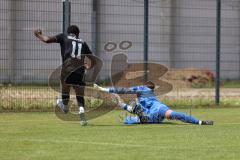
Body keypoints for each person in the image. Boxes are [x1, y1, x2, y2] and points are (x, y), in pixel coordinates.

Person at [34, 25, 95, 126]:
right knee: (79, 93)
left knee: (65, 87)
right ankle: (81, 111)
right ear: (77, 34)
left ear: (68, 32)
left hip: (67, 70)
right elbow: (92, 58)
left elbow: (47, 40)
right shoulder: (83, 42)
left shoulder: (64, 36)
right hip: (80, 71)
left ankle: (65, 107)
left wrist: (38, 35)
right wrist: (89, 66)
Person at [94, 81, 214, 125]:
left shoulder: (142, 89)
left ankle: (129, 110)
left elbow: (123, 90)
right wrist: (200, 122)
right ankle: (198, 122)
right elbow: (178, 115)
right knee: (174, 115)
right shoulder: (152, 95)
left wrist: (105, 89)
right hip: (158, 113)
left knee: (132, 113)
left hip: (152, 112)